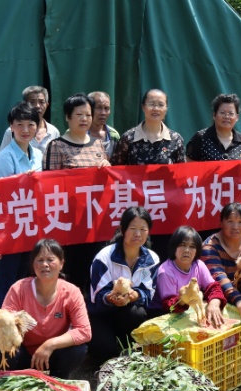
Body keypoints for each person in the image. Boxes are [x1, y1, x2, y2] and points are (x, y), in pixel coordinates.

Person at [0, 239, 91, 379]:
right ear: (32, 264)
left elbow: (84, 331)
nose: (45, 264)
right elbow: (5, 327)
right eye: (40, 260)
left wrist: (50, 345)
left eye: (50, 259)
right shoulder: (19, 288)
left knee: (78, 349)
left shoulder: (71, 291)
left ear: (61, 264)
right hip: (22, 352)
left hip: (54, 353)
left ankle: (58, 377)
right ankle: (13, 379)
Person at [42, 93, 110, 290]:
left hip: (93, 220)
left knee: (91, 267)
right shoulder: (56, 146)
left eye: (88, 115)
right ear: (67, 117)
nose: (84, 119)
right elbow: (49, 187)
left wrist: (107, 167)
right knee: (69, 270)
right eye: (79, 114)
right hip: (67, 223)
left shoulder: (97, 144)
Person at [110, 89, 185, 262]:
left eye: (160, 104)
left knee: (163, 252)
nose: (155, 108)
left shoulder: (176, 139)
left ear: (166, 108)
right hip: (135, 208)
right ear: (143, 107)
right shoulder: (128, 138)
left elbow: (182, 175)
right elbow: (116, 171)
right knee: (134, 251)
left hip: (165, 209)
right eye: (151, 103)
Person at [87, 206, 160, 363]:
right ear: (122, 229)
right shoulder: (104, 257)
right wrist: (110, 297)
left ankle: (127, 347)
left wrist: (135, 296)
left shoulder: (152, 259)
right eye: (132, 228)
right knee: (106, 352)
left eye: (143, 229)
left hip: (127, 314)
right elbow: (96, 296)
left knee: (136, 312)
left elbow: (148, 292)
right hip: (101, 315)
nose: (138, 234)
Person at [0, 103, 43, 308]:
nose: (25, 130)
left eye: (31, 124)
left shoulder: (39, 154)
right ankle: (2, 325)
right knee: (7, 276)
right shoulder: (4, 158)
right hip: (11, 226)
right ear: (11, 127)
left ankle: (18, 322)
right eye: (19, 124)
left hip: (32, 224)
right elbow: (1, 197)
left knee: (24, 274)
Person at [148, 226, 226, 327]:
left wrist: (214, 302)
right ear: (173, 247)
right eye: (182, 245)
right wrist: (183, 300)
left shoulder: (199, 265)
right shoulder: (165, 272)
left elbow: (213, 287)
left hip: (189, 309)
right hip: (162, 313)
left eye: (192, 247)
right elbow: (169, 306)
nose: (187, 250)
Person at [200, 203, 241, 318]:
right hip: (214, 295)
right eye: (230, 221)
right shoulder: (210, 247)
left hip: (237, 291)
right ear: (221, 223)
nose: (235, 226)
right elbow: (219, 279)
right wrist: (240, 301)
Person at [186, 93, 241, 162]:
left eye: (231, 113)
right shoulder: (200, 138)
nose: (226, 117)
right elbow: (189, 167)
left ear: (237, 117)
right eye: (222, 112)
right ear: (214, 115)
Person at [0, 86, 60, 153]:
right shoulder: (12, 131)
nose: (37, 106)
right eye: (32, 102)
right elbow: (2, 156)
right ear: (24, 104)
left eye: (41, 102)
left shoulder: (53, 132)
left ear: (47, 105)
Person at [87, 91, 120, 158]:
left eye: (106, 108)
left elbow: (117, 165)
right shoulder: (75, 133)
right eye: (98, 107)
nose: (103, 113)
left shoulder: (114, 135)